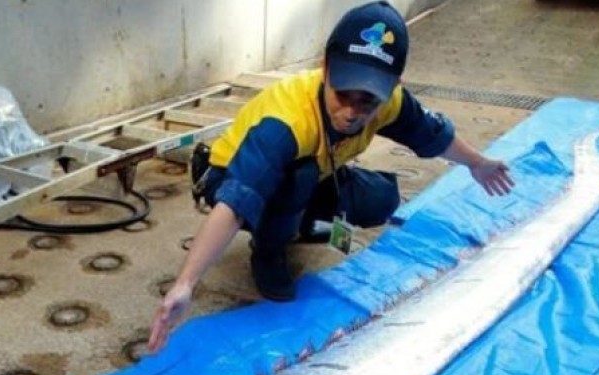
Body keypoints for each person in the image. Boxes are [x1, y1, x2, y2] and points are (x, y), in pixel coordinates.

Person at [148, 1, 513, 353]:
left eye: (367, 101)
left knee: (380, 200)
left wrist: (477, 163)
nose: (352, 112)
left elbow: (434, 136)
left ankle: (296, 221)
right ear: (326, 67)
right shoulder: (286, 122)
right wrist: (186, 283)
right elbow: (236, 202)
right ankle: (268, 250)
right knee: (297, 176)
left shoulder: (391, 101)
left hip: (319, 169)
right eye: (343, 94)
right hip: (228, 176)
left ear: (392, 85)